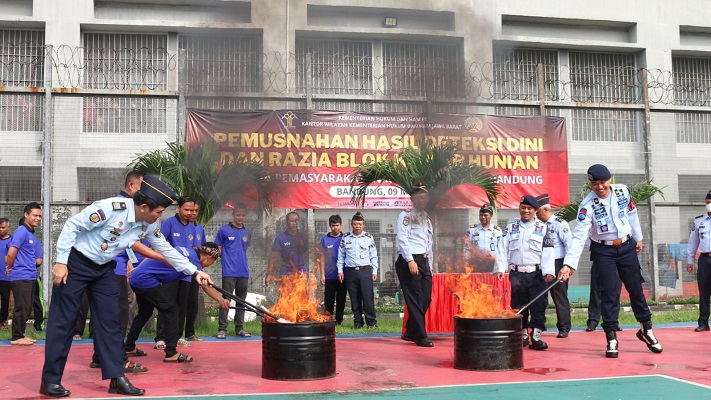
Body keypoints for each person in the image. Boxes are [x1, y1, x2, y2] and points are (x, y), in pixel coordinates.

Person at [40, 175, 215, 397]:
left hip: (104, 268)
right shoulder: (110, 209)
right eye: (158, 212)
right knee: (62, 322)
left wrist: (195, 271)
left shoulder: (148, 224)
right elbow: (71, 225)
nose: (160, 216)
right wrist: (61, 262)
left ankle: (116, 378)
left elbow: (167, 250)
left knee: (112, 322)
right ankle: (50, 380)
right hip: (77, 263)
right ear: (143, 206)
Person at [558, 164, 662, 359]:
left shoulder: (622, 191)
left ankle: (646, 329)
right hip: (603, 251)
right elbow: (580, 236)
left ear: (610, 180)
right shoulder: (587, 206)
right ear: (590, 184)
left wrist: (638, 238)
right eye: (595, 183)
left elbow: (632, 213)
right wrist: (569, 264)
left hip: (626, 246)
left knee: (636, 289)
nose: (599, 187)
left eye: (603, 182)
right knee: (609, 293)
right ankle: (611, 336)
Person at [125, 244, 229, 363]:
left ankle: (129, 347)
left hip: (138, 277)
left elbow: (158, 250)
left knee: (145, 313)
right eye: (212, 262)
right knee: (171, 310)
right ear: (208, 258)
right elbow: (205, 286)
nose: (210, 265)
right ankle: (171, 352)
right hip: (146, 280)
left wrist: (139, 268)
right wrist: (220, 300)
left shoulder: (186, 250)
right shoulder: (194, 262)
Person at [494, 195, 555, 351]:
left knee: (538, 305)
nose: (526, 211)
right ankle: (522, 334)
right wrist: (500, 268)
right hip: (517, 274)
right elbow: (502, 247)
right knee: (518, 305)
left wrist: (549, 271)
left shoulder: (543, 228)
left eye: (529, 208)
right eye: (523, 207)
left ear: (535, 210)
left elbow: (548, 251)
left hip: (537, 274)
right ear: (519, 208)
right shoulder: (511, 226)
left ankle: (536, 336)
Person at [155, 195, 199, 349]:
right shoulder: (168, 223)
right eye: (186, 209)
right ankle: (160, 337)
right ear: (178, 208)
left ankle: (177, 335)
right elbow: (159, 245)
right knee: (166, 304)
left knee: (182, 305)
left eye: (192, 210)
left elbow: (193, 251)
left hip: (185, 273)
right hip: (169, 272)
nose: (189, 213)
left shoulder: (193, 227)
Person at [396, 183, 434, 347]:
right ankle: (420, 336)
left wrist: (429, 264)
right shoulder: (406, 215)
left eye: (424, 198)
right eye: (418, 198)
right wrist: (410, 260)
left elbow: (429, 242)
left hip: (424, 261)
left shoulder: (426, 216)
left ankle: (410, 331)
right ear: (412, 199)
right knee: (416, 298)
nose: (421, 200)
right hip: (409, 260)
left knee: (425, 298)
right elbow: (402, 239)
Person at [535, 193, 573, 338]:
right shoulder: (537, 225)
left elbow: (569, 245)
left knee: (559, 296)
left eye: (537, 212)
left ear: (545, 210)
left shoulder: (559, 223)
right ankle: (539, 325)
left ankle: (564, 327)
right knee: (539, 295)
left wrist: (568, 265)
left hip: (558, 263)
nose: (536, 215)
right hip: (542, 263)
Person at [5, 202, 42, 346]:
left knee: (27, 307)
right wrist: (10, 267)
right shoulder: (21, 231)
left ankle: (20, 334)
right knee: (22, 306)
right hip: (21, 276)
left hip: (30, 275)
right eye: (35, 215)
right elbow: (11, 252)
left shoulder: (30, 233)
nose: (38, 218)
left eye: (39, 216)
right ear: (26, 215)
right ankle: (16, 337)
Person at [215, 204, 253, 338]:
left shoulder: (247, 232)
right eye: (238, 215)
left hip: (244, 272)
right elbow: (218, 250)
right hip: (229, 272)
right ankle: (222, 329)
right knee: (225, 300)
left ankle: (239, 328)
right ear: (233, 215)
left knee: (241, 301)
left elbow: (245, 248)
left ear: (246, 216)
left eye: (243, 215)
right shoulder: (223, 230)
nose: (240, 218)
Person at [338, 212, 378, 329]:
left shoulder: (369, 238)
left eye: (360, 224)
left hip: (365, 271)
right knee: (354, 298)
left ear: (363, 225)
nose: (357, 226)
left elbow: (373, 255)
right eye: (355, 224)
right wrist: (340, 271)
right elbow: (341, 256)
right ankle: (358, 322)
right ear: (351, 224)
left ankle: (371, 322)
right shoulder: (345, 238)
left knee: (368, 297)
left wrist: (374, 271)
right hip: (350, 271)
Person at [686, 189, 711, 332]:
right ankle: (703, 322)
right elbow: (693, 243)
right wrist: (690, 261)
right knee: (704, 291)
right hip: (704, 260)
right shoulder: (699, 221)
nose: (709, 205)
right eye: (707, 202)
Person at [318, 214, 347, 325]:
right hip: (329, 275)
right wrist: (322, 275)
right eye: (333, 225)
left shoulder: (345, 238)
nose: (336, 228)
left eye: (338, 225)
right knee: (329, 299)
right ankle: (328, 320)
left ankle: (339, 320)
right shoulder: (325, 240)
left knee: (341, 299)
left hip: (343, 275)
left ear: (341, 225)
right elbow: (321, 257)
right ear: (330, 226)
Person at [184, 202, 206, 342]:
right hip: (177, 270)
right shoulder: (172, 224)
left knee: (193, 302)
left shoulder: (199, 228)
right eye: (190, 210)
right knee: (177, 303)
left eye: (196, 211)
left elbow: (202, 250)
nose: (193, 213)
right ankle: (168, 336)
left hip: (195, 271)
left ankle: (190, 333)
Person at [266, 211, 308, 284]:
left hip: (301, 273)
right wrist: (269, 274)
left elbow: (308, 252)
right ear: (287, 222)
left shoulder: (303, 237)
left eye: (296, 221)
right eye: (291, 221)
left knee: (301, 294)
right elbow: (273, 257)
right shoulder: (280, 238)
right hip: (285, 273)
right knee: (285, 294)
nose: (294, 223)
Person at [464, 204, 502, 272]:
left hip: (492, 264)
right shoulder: (471, 230)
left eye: (485, 215)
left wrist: (502, 266)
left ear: (491, 216)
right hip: (476, 264)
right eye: (481, 215)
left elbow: (501, 250)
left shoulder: (497, 231)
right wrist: (466, 264)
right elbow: (467, 249)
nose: (483, 217)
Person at [585, 264, 622, 332]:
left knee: (615, 292)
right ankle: (593, 321)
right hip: (599, 259)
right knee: (596, 291)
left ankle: (613, 321)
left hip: (616, 262)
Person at [0, 218, 12, 329]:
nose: (1, 229)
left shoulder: (12, 241)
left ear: (8, 227)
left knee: (5, 299)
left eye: (3, 227)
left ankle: (2, 321)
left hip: (6, 277)